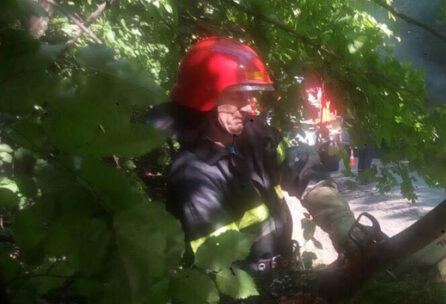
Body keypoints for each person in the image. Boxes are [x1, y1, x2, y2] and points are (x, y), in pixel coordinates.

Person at [148, 37, 369, 278]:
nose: (248, 107)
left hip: (283, 274)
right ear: (205, 97)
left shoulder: (252, 133)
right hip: (249, 299)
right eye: (237, 96)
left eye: (250, 95)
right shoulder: (193, 178)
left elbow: (299, 164)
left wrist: (342, 224)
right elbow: (225, 272)